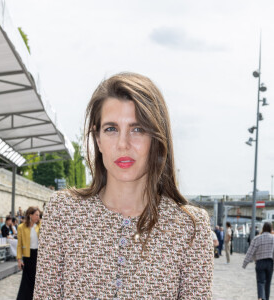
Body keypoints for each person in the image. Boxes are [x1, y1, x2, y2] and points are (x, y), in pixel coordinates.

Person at [34, 72, 214, 299]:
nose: (123, 144)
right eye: (111, 129)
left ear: (157, 139)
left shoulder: (189, 227)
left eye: (137, 129)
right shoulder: (63, 212)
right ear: (97, 139)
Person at [243, 222, 274, 300]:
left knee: (260, 282)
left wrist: (245, 263)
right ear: (271, 229)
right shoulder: (273, 238)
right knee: (268, 283)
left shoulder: (257, 238)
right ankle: (266, 298)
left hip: (259, 262)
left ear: (263, 228)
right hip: (270, 262)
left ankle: (261, 297)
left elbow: (250, 251)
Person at [16, 207, 41, 300]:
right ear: (30, 215)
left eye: (39, 215)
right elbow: (19, 245)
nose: (38, 217)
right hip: (27, 255)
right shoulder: (21, 227)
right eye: (36, 215)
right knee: (26, 281)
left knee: (36, 279)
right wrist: (19, 259)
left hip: (38, 256)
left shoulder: (41, 225)